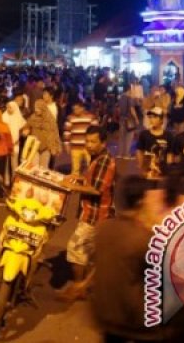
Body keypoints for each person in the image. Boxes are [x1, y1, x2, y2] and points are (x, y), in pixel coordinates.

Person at [92, 175, 184, 341]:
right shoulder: (142, 238)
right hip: (134, 323)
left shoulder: (103, 229)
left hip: (103, 315)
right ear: (141, 201)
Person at [58, 126, 116, 301]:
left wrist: (73, 186)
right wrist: (78, 178)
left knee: (75, 248)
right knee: (91, 251)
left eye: (93, 141)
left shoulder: (104, 160)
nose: (89, 145)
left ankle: (78, 287)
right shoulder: (97, 158)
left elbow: (96, 189)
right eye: (87, 141)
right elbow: (93, 179)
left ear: (103, 142)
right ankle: (87, 284)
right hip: (94, 213)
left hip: (96, 215)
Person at [135, 106, 173, 179]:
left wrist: (168, 171)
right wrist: (142, 169)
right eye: (150, 117)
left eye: (155, 117)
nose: (152, 119)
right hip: (147, 172)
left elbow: (169, 155)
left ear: (161, 120)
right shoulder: (144, 134)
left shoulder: (169, 136)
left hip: (163, 172)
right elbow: (139, 151)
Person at [63, 101, 99, 175]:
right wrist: (66, 145)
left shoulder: (91, 117)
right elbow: (67, 132)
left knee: (91, 167)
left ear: (82, 108)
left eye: (77, 109)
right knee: (75, 169)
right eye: (74, 109)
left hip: (88, 147)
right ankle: (73, 184)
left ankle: (88, 183)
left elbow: (96, 131)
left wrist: (95, 145)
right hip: (75, 147)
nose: (75, 111)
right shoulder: (70, 118)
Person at [27, 99, 62, 170]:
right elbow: (26, 126)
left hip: (46, 147)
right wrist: (25, 131)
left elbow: (54, 133)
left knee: (43, 169)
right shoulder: (32, 118)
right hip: (35, 146)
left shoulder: (50, 119)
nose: (36, 110)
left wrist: (55, 147)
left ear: (43, 108)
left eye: (38, 108)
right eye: (35, 107)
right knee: (34, 168)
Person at [2, 101, 26, 172]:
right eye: (8, 107)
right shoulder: (4, 116)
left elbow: (25, 127)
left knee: (14, 164)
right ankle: (6, 181)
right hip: (5, 144)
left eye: (10, 107)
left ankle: (14, 180)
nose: (9, 109)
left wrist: (19, 138)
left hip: (15, 143)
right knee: (5, 165)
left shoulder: (18, 117)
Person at [117, 84, 139, 159]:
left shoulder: (120, 98)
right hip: (129, 119)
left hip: (122, 119)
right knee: (129, 137)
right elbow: (132, 109)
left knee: (121, 137)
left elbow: (118, 109)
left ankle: (120, 154)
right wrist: (136, 119)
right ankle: (126, 154)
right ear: (129, 90)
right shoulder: (129, 98)